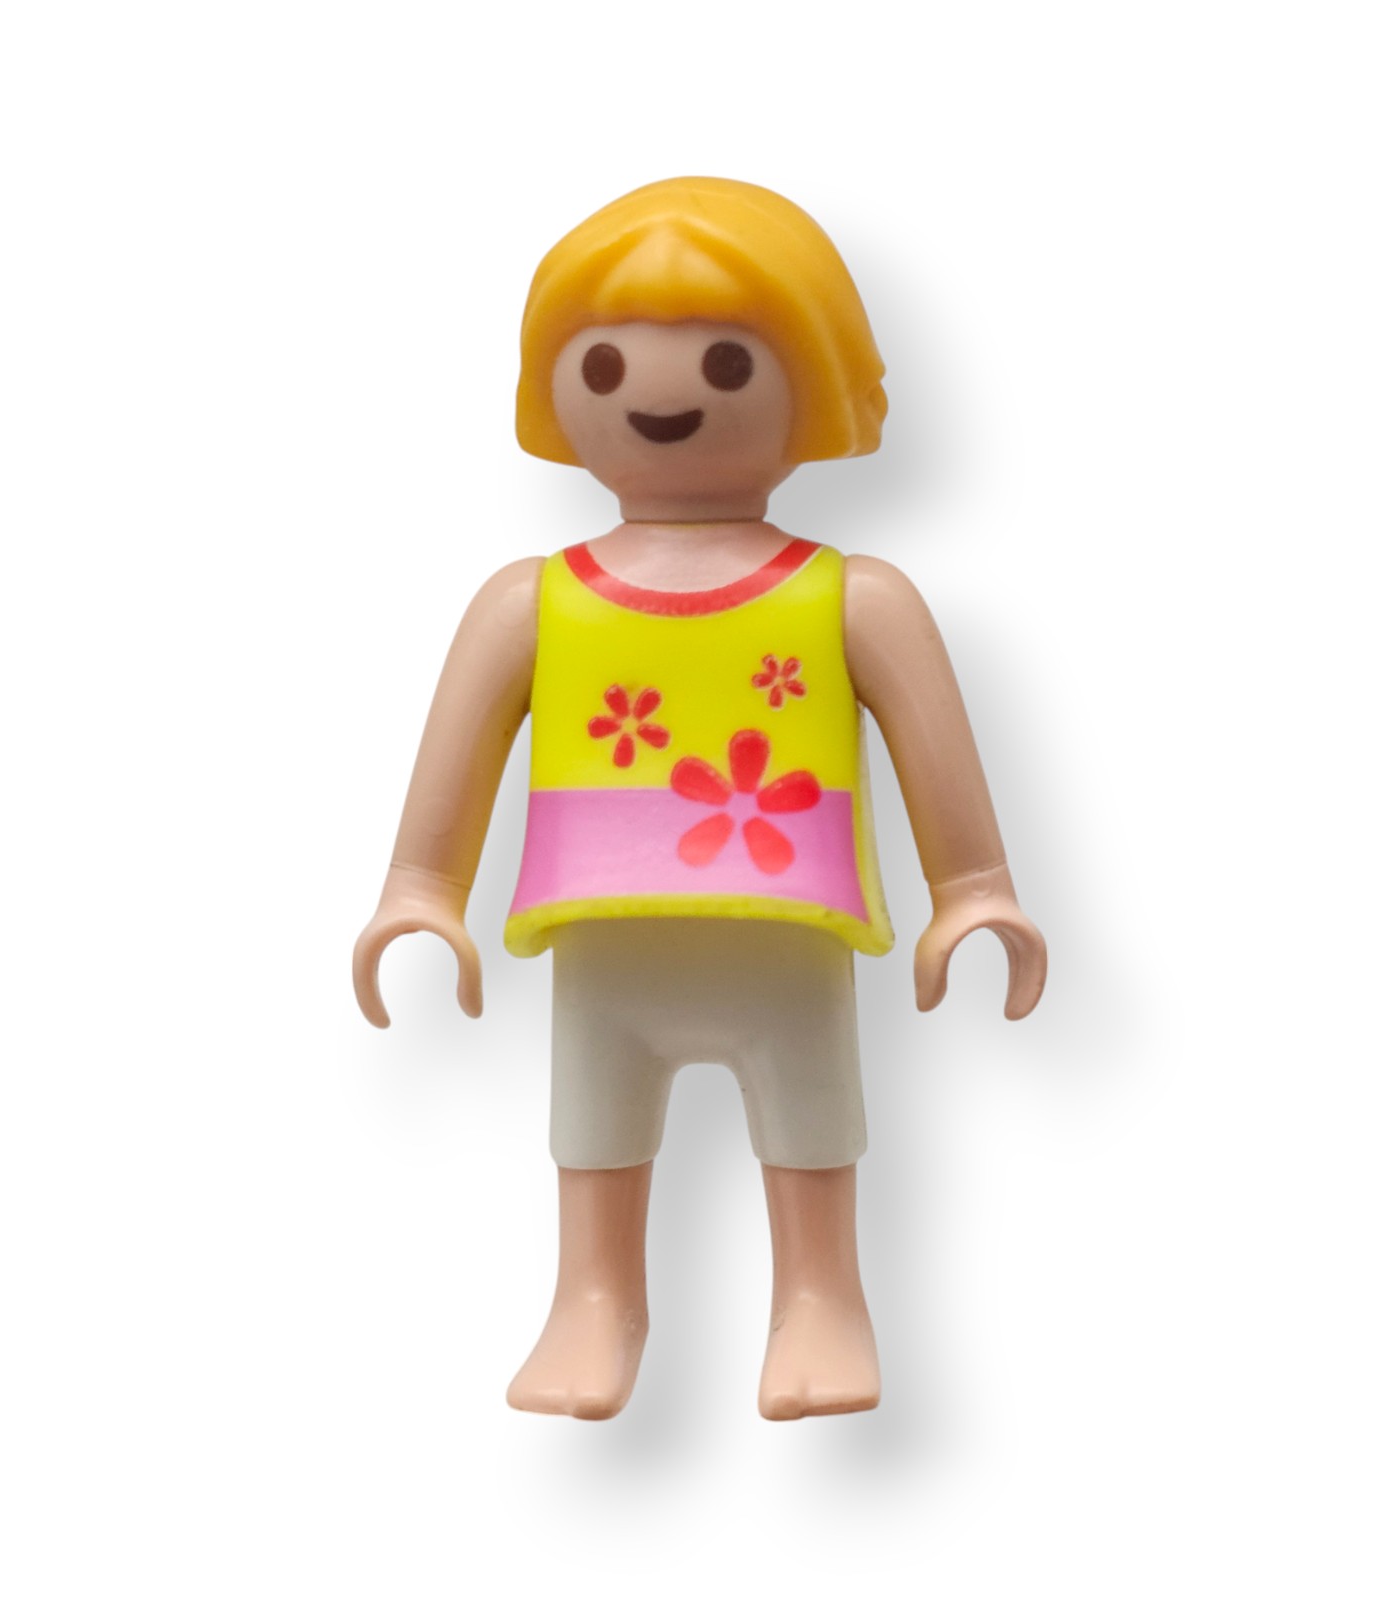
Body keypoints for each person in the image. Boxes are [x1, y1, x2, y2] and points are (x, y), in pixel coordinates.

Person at [352, 177, 1047, 1421]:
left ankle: (823, 1297)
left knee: (810, 1111)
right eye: (603, 363)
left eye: (730, 361)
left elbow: (935, 755)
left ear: (815, 380)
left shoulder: (853, 599)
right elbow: (454, 762)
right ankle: (592, 1298)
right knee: (594, 1118)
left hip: (788, 930)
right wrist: (418, 891)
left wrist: (973, 892)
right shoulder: (531, 602)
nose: (658, 397)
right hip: (605, 936)